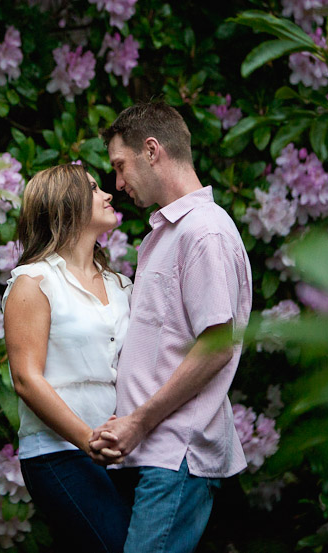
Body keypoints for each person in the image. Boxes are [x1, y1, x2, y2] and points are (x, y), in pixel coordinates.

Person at [89, 101, 253, 553]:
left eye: (120, 166)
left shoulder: (205, 232)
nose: (117, 184)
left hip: (175, 452)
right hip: (148, 452)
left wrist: (138, 422)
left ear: (152, 150)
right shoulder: (167, 233)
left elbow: (217, 346)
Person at [2, 163, 132, 553]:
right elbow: (26, 379)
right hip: (58, 453)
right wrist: (87, 439)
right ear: (66, 205)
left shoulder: (121, 284)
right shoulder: (34, 282)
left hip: (121, 451)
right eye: (94, 189)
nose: (108, 194)